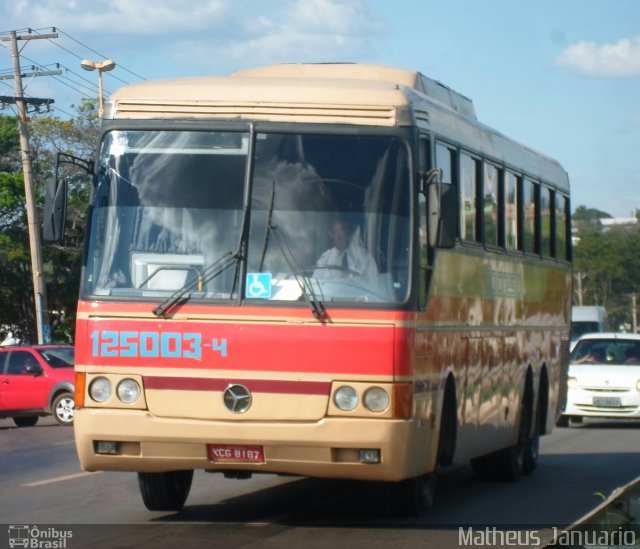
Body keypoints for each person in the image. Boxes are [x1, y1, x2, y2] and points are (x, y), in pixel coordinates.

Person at [313, 219, 378, 279]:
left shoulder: (364, 257)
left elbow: (373, 283)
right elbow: (317, 283)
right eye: (337, 231)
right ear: (331, 235)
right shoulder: (325, 259)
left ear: (350, 233)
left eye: (344, 230)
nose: (342, 235)